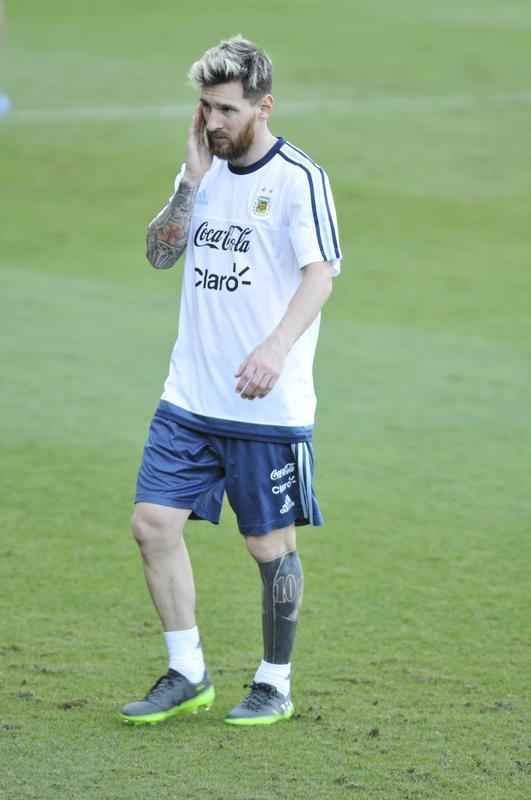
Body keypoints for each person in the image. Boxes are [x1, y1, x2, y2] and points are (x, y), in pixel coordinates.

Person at [120, 35, 342, 727]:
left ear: (262, 106)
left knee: (267, 547)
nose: (211, 121)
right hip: (189, 394)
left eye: (224, 108)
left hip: (264, 403)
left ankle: (273, 682)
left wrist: (275, 348)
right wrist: (187, 184)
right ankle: (187, 672)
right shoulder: (202, 170)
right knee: (152, 525)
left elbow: (321, 273)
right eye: (203, 107)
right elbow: (160, 254)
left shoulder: (299, 178)